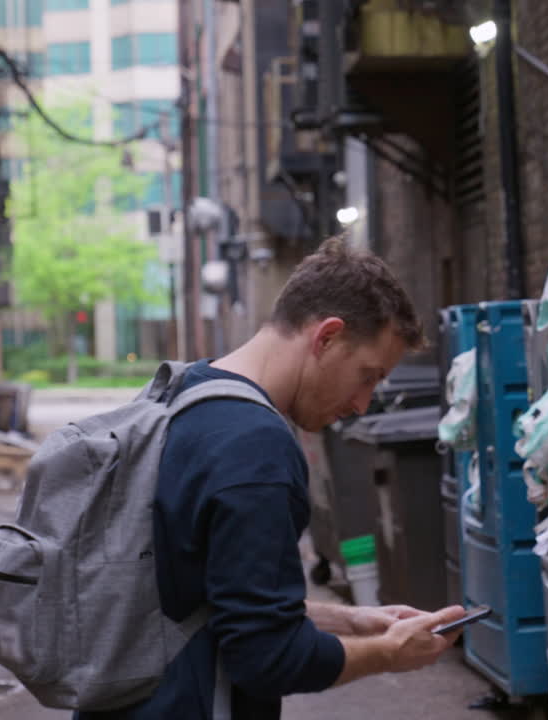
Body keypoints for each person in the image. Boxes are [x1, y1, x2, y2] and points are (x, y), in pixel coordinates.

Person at [78, 237, 467, 719]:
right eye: (368, 376)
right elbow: (268, 656)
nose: (361, 405)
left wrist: (355, 621)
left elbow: (213, 602)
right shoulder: (254, 448)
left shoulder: (183, 393)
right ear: (326, 337)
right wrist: (389, 654)